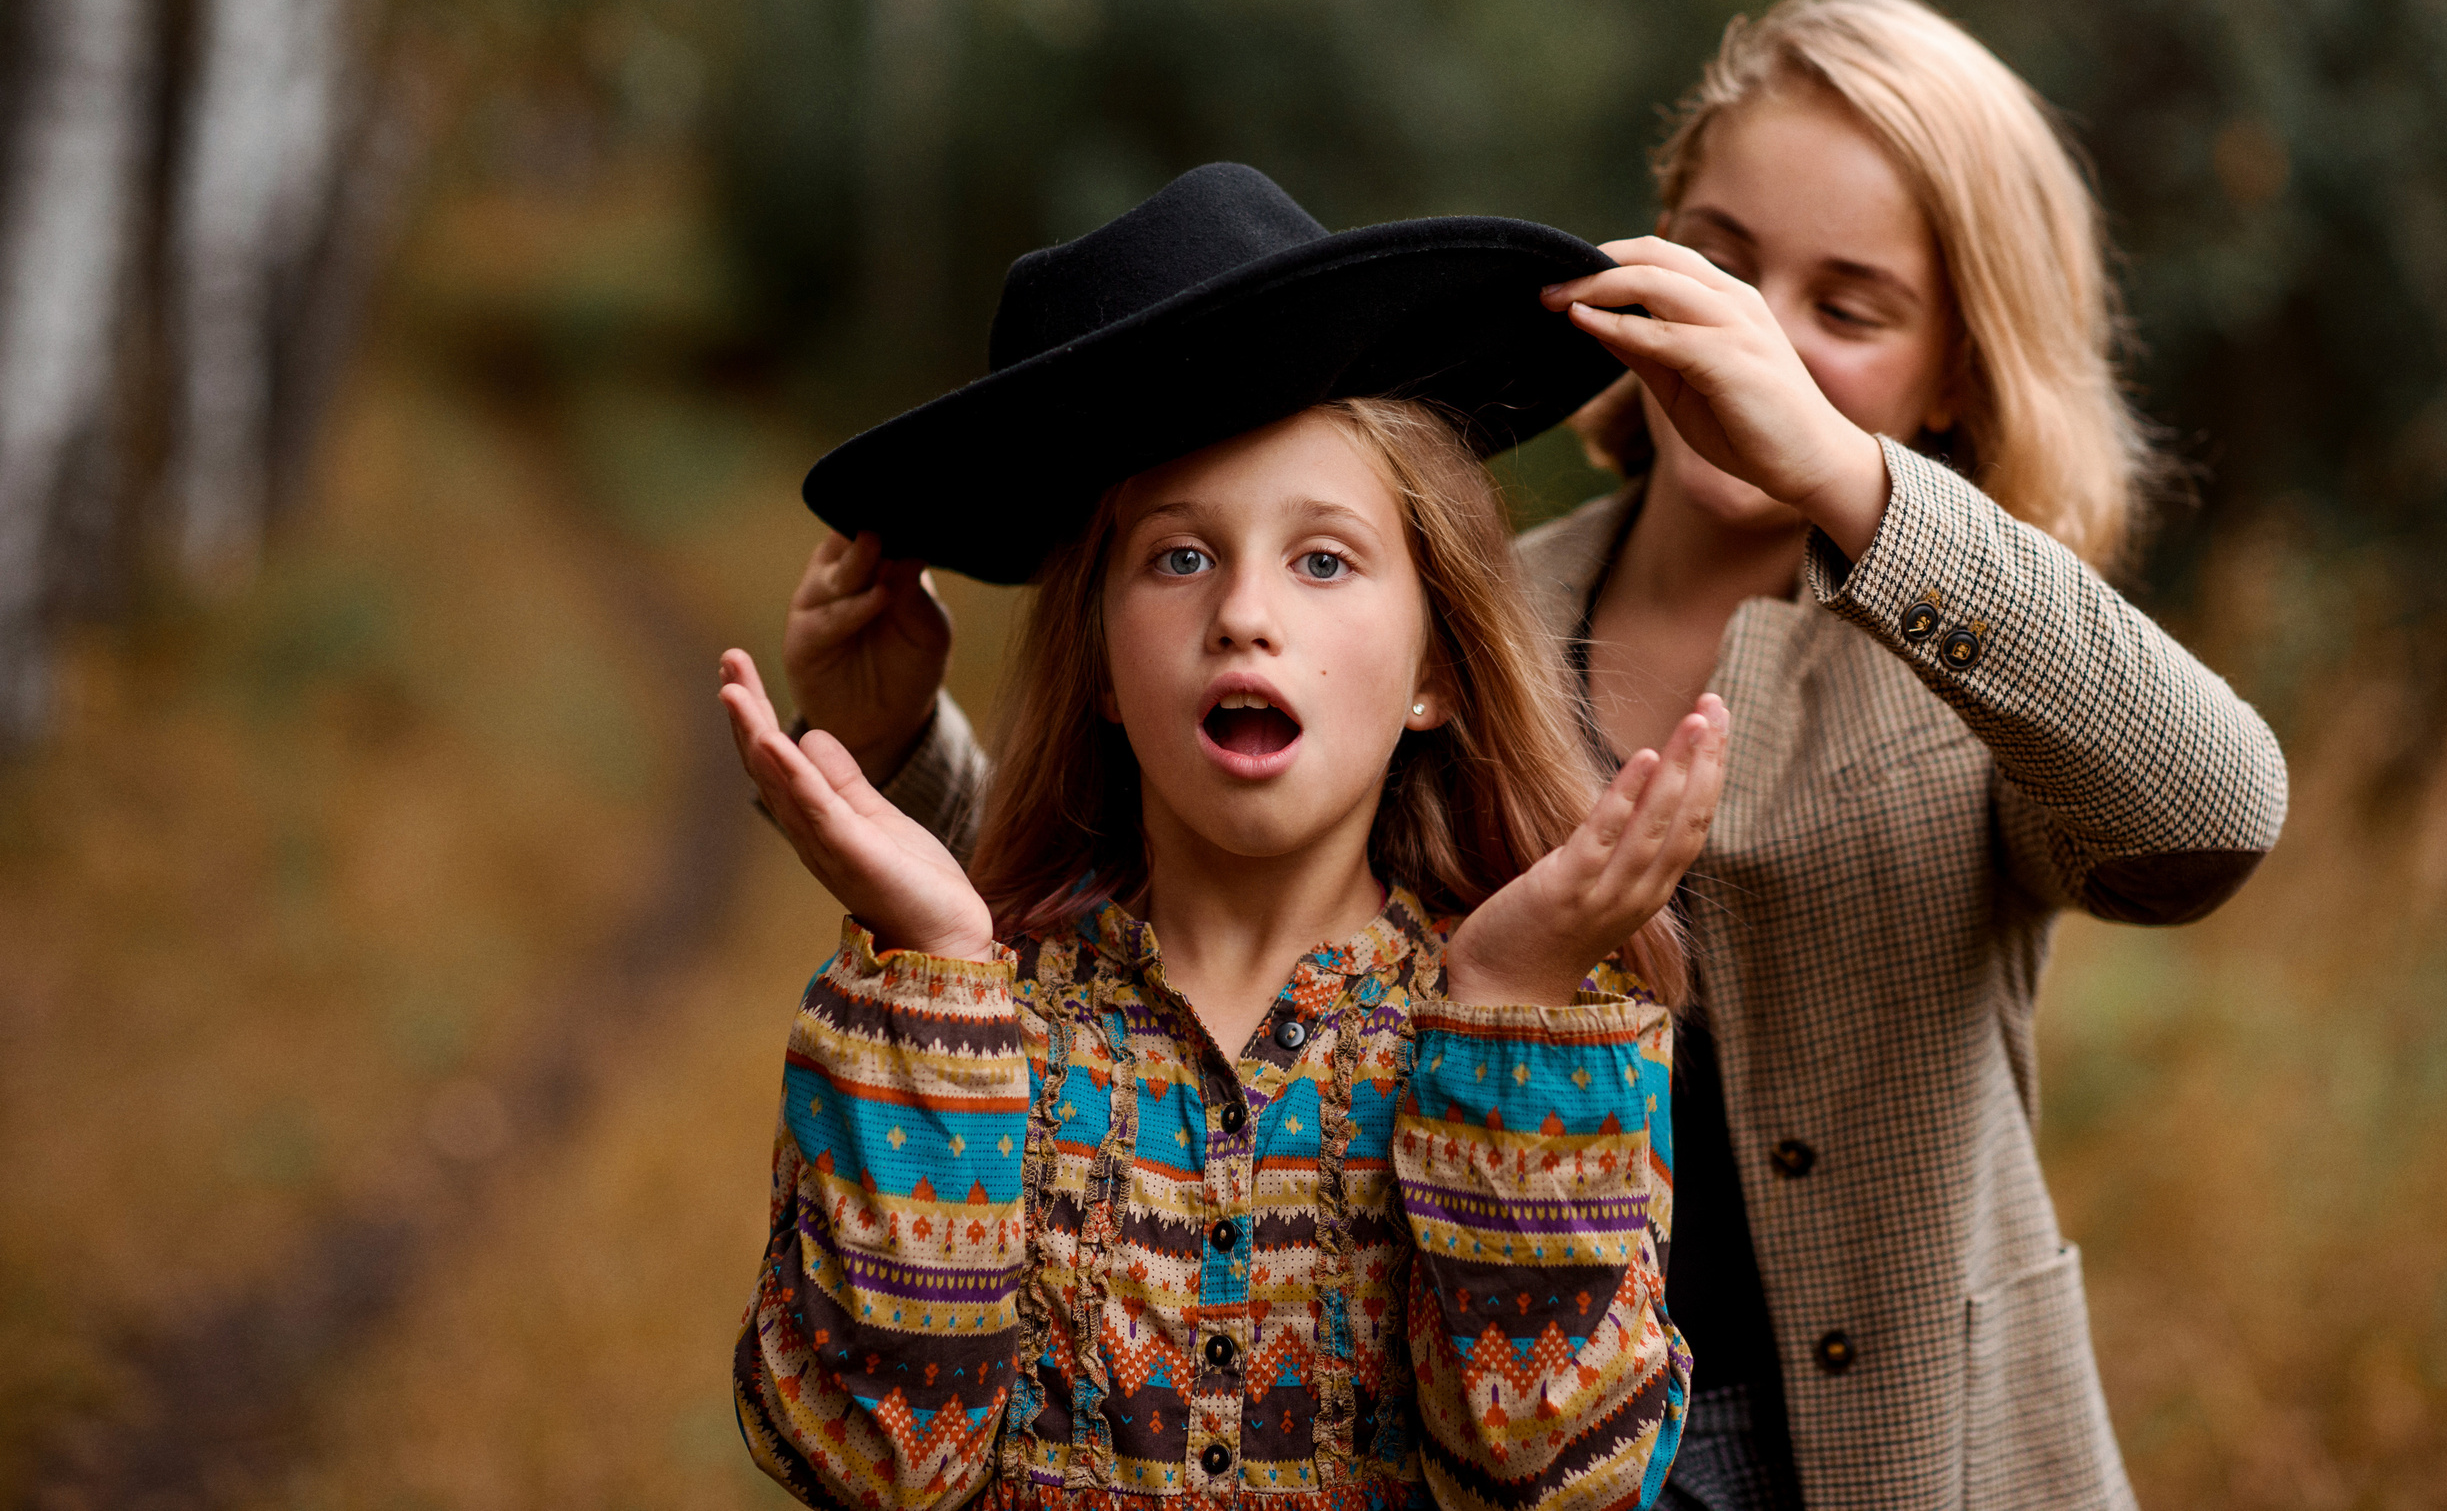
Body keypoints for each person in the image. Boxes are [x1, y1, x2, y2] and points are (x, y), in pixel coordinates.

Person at [777, 0, 2292, 1510]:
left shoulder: (1967, 655)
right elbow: (1151, 932)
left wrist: (1845, 474)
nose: (1760, 331)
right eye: (1727, 257)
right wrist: (896, 745)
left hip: (1892, 1455)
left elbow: (2212, 811)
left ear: (1961, 366)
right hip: (1501, 1419)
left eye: (1850, 307)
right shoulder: (1459, 613)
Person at [724, 162, 1727, 1511]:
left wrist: (1508, 1010)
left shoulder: (1543, 1019)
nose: (1246, 612)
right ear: (1096, 659)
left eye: (1324, 560)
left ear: (1437, 666)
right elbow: (868, 1462)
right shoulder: (974, 1015)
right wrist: (940, 964)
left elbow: (1562, 1482)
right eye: (1180, 557)